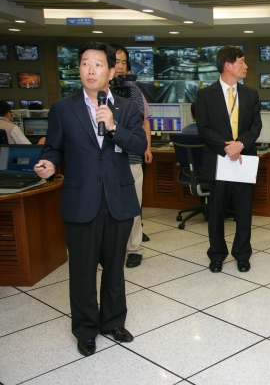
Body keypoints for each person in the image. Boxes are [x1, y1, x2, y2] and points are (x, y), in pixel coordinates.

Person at [34, 42, 147, 357]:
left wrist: (113, 128)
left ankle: (112, 321)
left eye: (98, 64)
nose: (90, 70)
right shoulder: (63, 108)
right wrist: (50, 163)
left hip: (118, 199)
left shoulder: (126, 107)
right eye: (85, 63)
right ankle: (85, 329)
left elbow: (138, 144)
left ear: (112, 71)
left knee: (114, 268)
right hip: (80, 200)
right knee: (82, 270)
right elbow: (53, 146)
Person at [196, 45, 262, 273]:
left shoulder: (251, 94)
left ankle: (242, 254)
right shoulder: (206, 94)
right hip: (218, 159)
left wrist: (240, 144)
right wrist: (227, 147)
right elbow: (203, 128)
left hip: (244, 159)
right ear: (228, 65)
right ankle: (217, 254)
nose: (246, 66)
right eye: (242, 62)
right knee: (216, 210)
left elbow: (256, 126)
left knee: (244, 210)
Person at [110, 43, 153, 268]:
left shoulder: (133, 91)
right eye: (115, 61)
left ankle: (134, 248)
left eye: (123, 62)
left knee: (133, 205)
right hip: (104, 159)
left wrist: (146, 147)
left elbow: (145, 120)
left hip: (130, 157)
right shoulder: (96, 91)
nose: (119, 67)